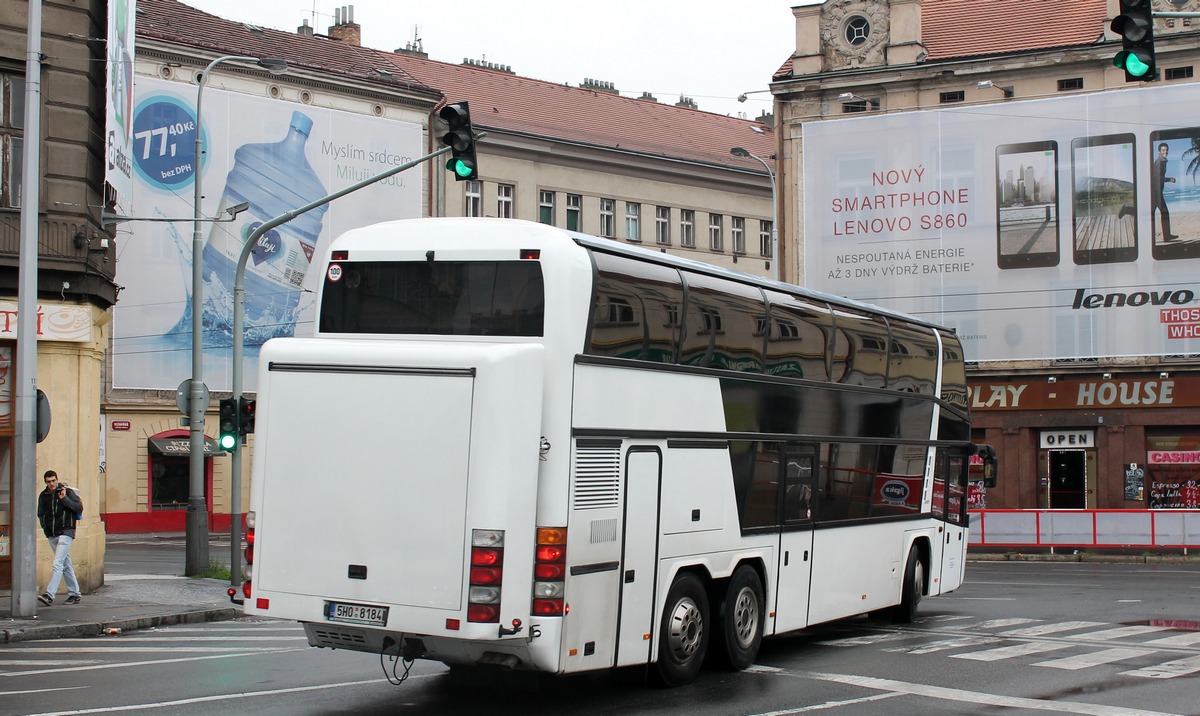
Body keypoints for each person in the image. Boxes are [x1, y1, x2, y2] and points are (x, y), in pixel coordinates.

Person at [36, 469, 83, 605]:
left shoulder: (67, 492)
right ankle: (75, 593)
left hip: (66, 532)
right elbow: (40, 513)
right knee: (65, 563)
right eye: (48, 481)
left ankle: (50, 595)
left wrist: (64, 499)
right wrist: (46, 528)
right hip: (52, 534)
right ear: (45, 482)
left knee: (57, 563)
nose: (51, 484)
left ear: (57, 479)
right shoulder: (43, 496)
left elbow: (78, 508)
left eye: (53, 481)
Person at [1152, 142, 1178, 242]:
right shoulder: (1159, 162)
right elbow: (1157, 177)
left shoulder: (1163, 161)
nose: (1165, 152)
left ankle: (1126, 209)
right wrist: (1169, 179)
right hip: (1155, 192)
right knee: (1165, 212)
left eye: (1166, 150)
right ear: (1159, 151)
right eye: (1163, 150)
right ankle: (1167, 237)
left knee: (1153, 212)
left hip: (1156, 191)